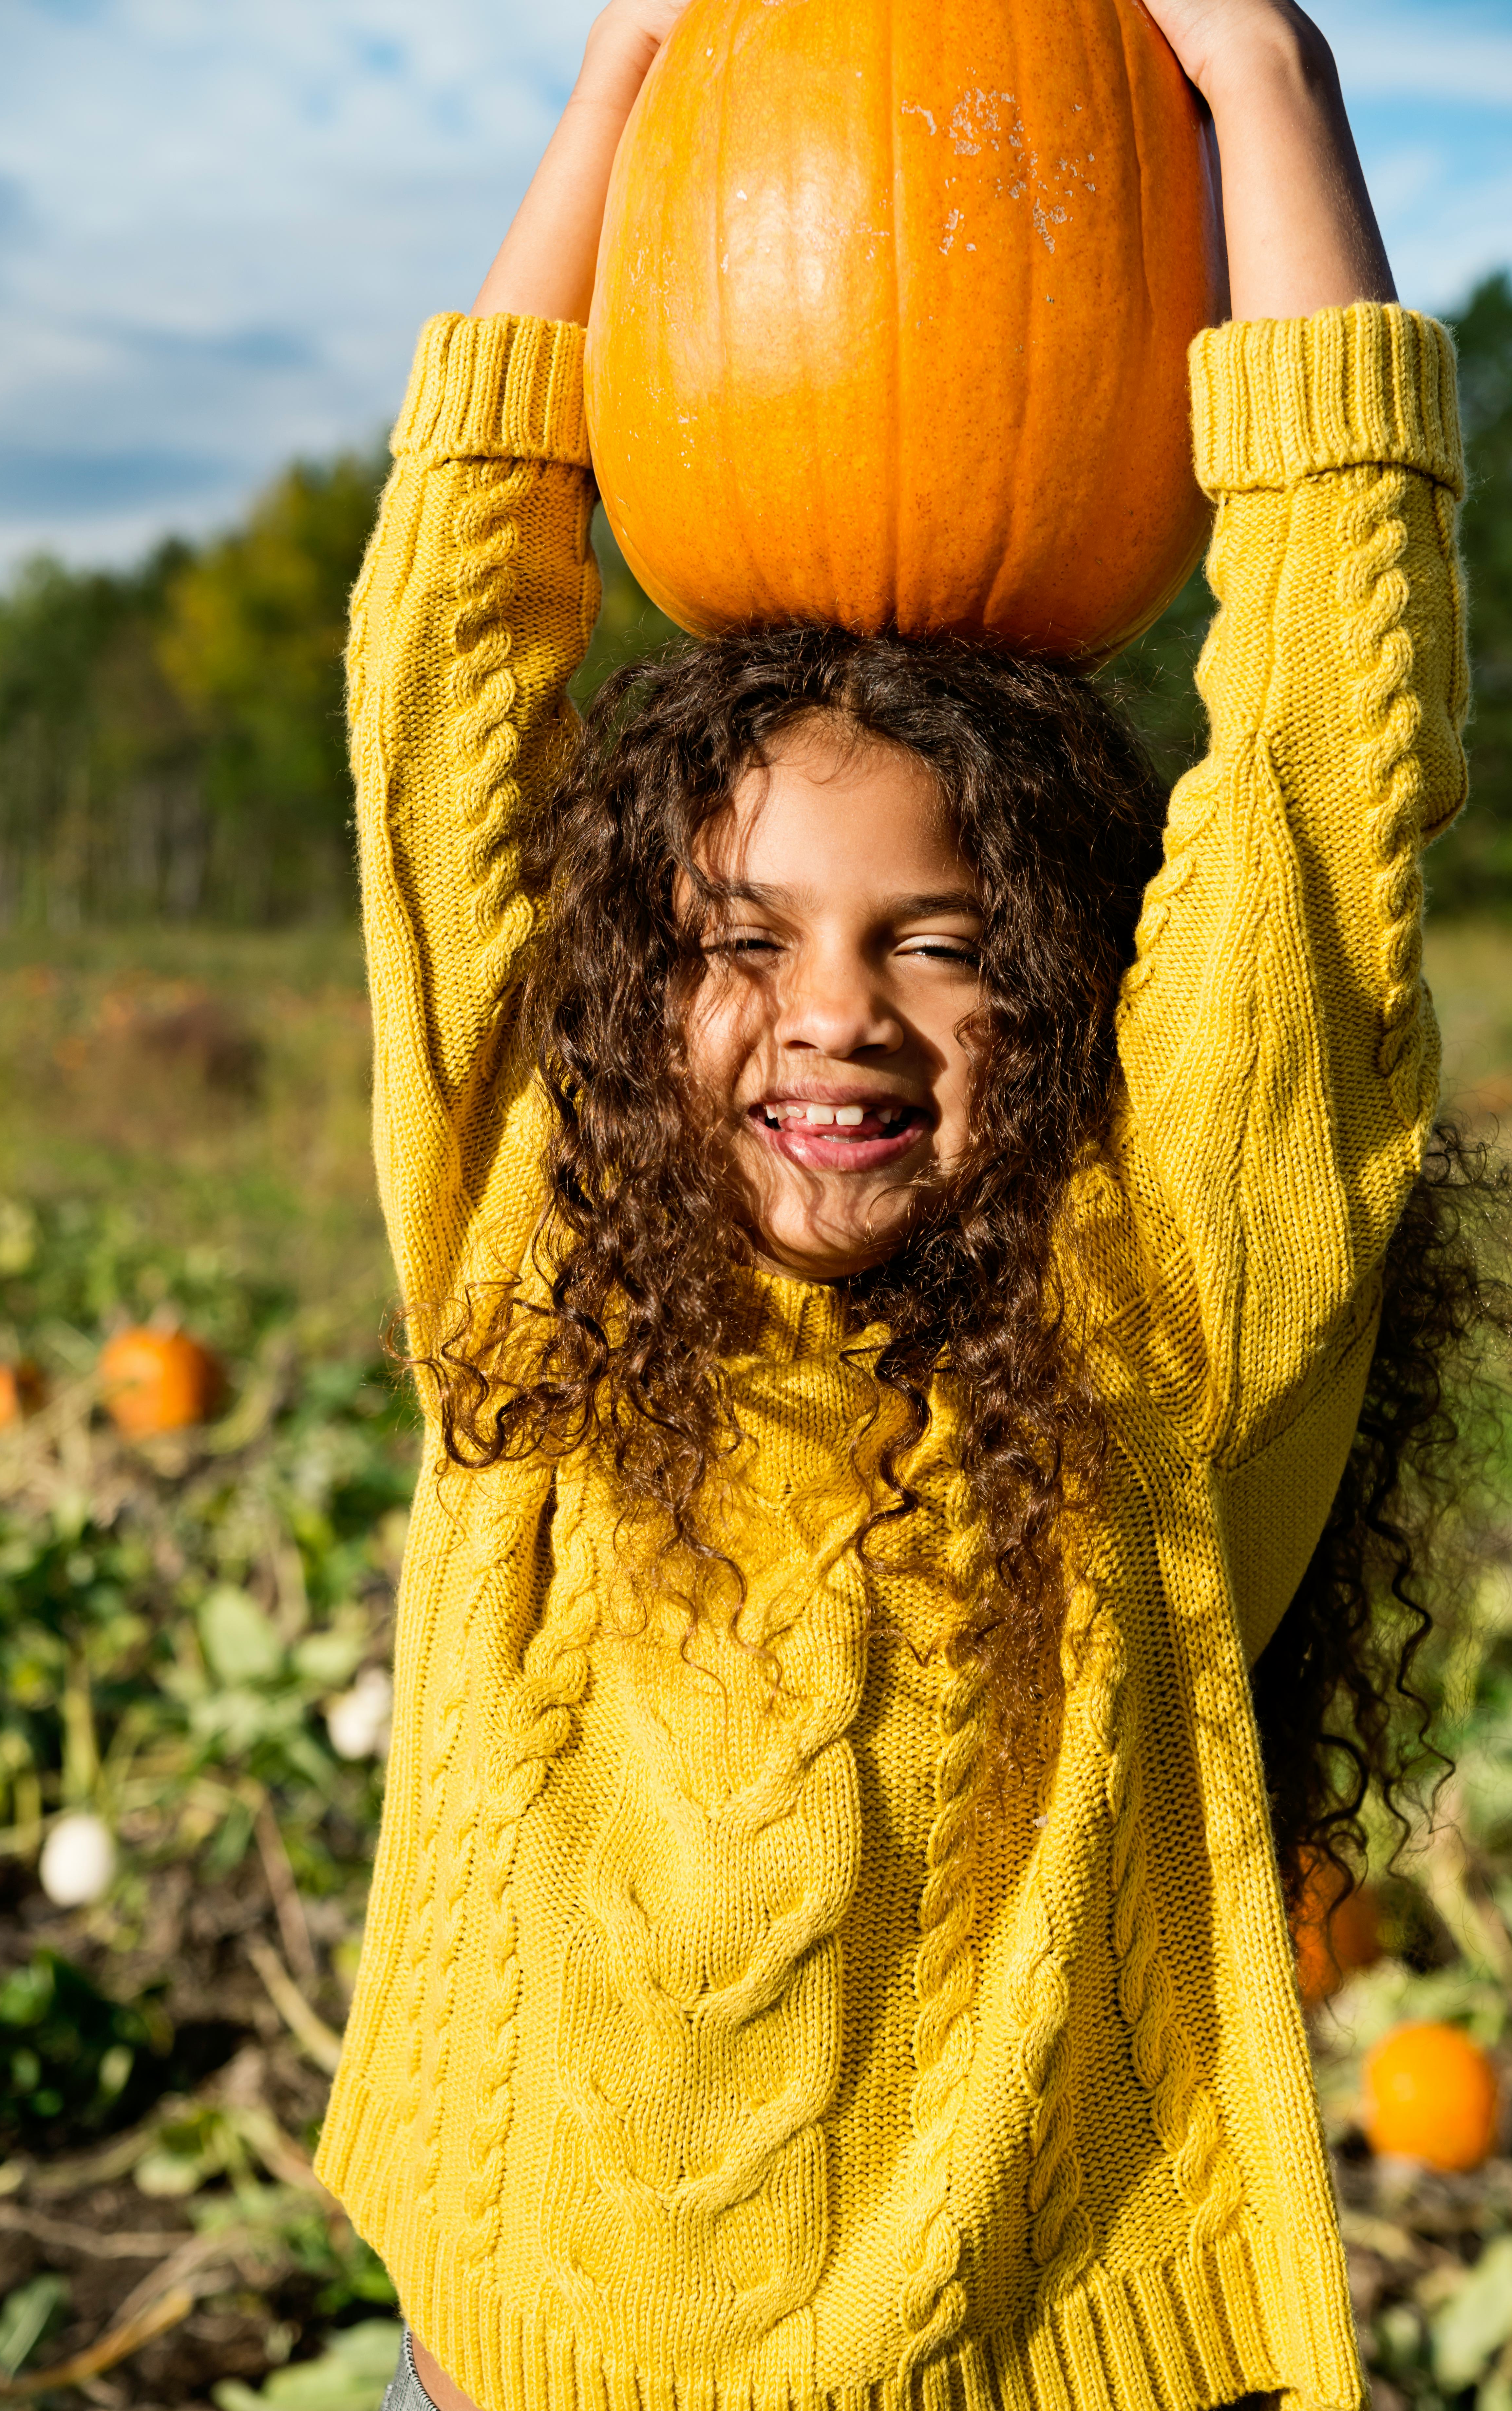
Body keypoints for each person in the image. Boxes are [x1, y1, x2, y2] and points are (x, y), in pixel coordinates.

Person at [313, 4, 1493, 2407]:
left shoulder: (1161, 1321)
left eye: (940, 945)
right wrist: (625, 81)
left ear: (1062, 982)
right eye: (738, 943)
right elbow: (442, 695)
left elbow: (1316, 806)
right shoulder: (531, 1259)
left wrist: (1269, 86)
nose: (831, 1016)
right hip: (514, 2354)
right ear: (630, 985)